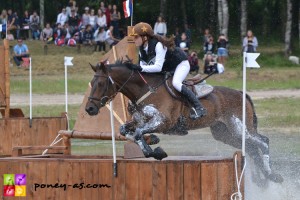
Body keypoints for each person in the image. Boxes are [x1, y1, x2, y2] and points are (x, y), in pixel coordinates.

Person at [130, 22, 207, 119]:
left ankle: (199, 107)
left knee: (176, 83)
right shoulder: (142, 49)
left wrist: (140, 68)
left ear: (145, 37)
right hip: (167, 69)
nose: (134, 40)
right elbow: (143, 69)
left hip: (180, 64)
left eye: (136, 37)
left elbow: (157, 67)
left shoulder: (158, 45)